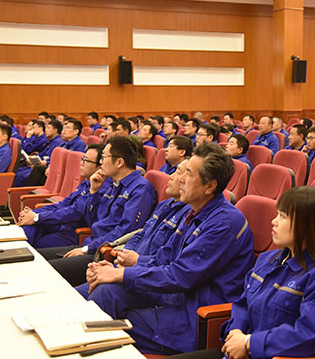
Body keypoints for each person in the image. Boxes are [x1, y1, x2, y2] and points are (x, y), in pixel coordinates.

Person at [84, 143, 254, 354]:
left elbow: (181, 275)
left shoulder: (224, 223)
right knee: (104, 291)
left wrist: (122, 275)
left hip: (187, 316)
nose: (179, 178)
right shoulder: (195, 212)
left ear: (210, 186)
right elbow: (162, 258)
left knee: (101, 322)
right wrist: (115, 271)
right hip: (171, 297)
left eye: (188, 174)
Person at [171, 186, 315, 359]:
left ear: (307, 226)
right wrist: (236, 331)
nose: (274, 221)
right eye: (277, 214)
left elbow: (311, 334)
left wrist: (249, 343)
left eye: (283, 216)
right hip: (238, 349)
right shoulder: (267, 260)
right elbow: (243, 304)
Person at [37, 137, 156, 286]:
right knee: (36, 257)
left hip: (102, 254)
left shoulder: (140, 189)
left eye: (104, 157)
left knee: (44, 270)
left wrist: (87, 249)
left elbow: (125, 231)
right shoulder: (113, 185)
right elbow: (93, 221)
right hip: (90, 244)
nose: (100, 162)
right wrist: (93, 192)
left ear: (119, 162)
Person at [75, 160, 192, 298]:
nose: (170, 176)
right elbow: (140, 234)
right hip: (125, 265)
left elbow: (168, 263)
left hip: (146, 278)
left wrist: (136, 261)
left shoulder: (188, 215)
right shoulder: (165, 204)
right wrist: (124, 256)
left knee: (100, 293)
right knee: (74, 294)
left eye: (178, 172)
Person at [17, 144, 104, 248]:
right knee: (29, 228)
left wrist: (37, 217)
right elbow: (63, 204)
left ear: (100, 166)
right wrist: (33, 213)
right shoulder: (85, 183)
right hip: (60, 225)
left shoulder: (100, 188)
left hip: (73, 233)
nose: (81, 163)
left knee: (36, 243)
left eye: (86, 160)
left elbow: (74, 212)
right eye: (82, 159)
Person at [14, 119, 62, 187]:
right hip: (39, 164)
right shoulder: (51, 140)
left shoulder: (57, 142)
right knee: (17, 171)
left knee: (20, 175)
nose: (46, 130)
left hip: (44, 167)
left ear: (55, 130)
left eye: (48, 128)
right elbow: (43, 153)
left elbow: (28, 150)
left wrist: (41, 160)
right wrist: (34, 157)